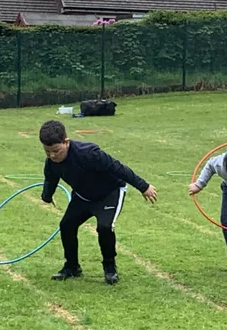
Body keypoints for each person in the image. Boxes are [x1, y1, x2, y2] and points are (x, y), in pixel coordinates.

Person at [39, 120, 158, 285]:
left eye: (56, 151)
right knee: (66, 225)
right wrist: (47, 196)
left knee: (104, 227)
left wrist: (143, 186)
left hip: (110, 193)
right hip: (83, 196)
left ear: (66, 142)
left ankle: (110, 268)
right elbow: (50, 180)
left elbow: (118, 167)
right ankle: (72, 267)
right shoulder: (51, 164)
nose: (52, 155)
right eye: (47, 151)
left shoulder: (88, 153)